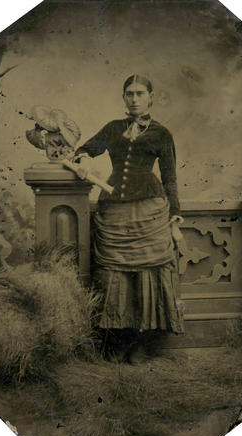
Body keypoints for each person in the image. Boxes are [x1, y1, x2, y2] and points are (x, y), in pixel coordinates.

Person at [74, 74, 184, 361]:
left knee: (149, 275)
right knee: (114, 275)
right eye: (129, 94)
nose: (134, 99)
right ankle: (119, 339)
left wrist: (175, 220)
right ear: (123, 98)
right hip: (115, 211)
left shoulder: (162, 134)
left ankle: (143, 343)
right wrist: (83, 159)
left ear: (151, 97)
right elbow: (87, 148)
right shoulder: (112, 128)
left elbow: (170, 180)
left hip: (150, 211)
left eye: (139, 93)